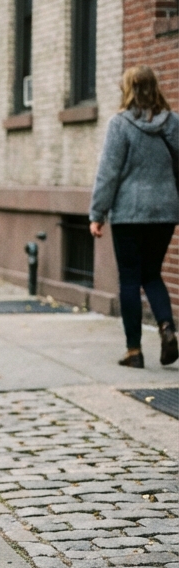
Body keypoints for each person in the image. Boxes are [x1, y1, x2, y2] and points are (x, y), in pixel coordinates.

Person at [89, 65, 179, 369]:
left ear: (127, 89)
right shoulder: (174, 123)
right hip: (164, 211)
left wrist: (97, 213)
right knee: (151, 273)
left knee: (129, 278)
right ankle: (167, 328)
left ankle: (133, 351)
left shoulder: (120, 124)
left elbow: (108, 173)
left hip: (129, 213)